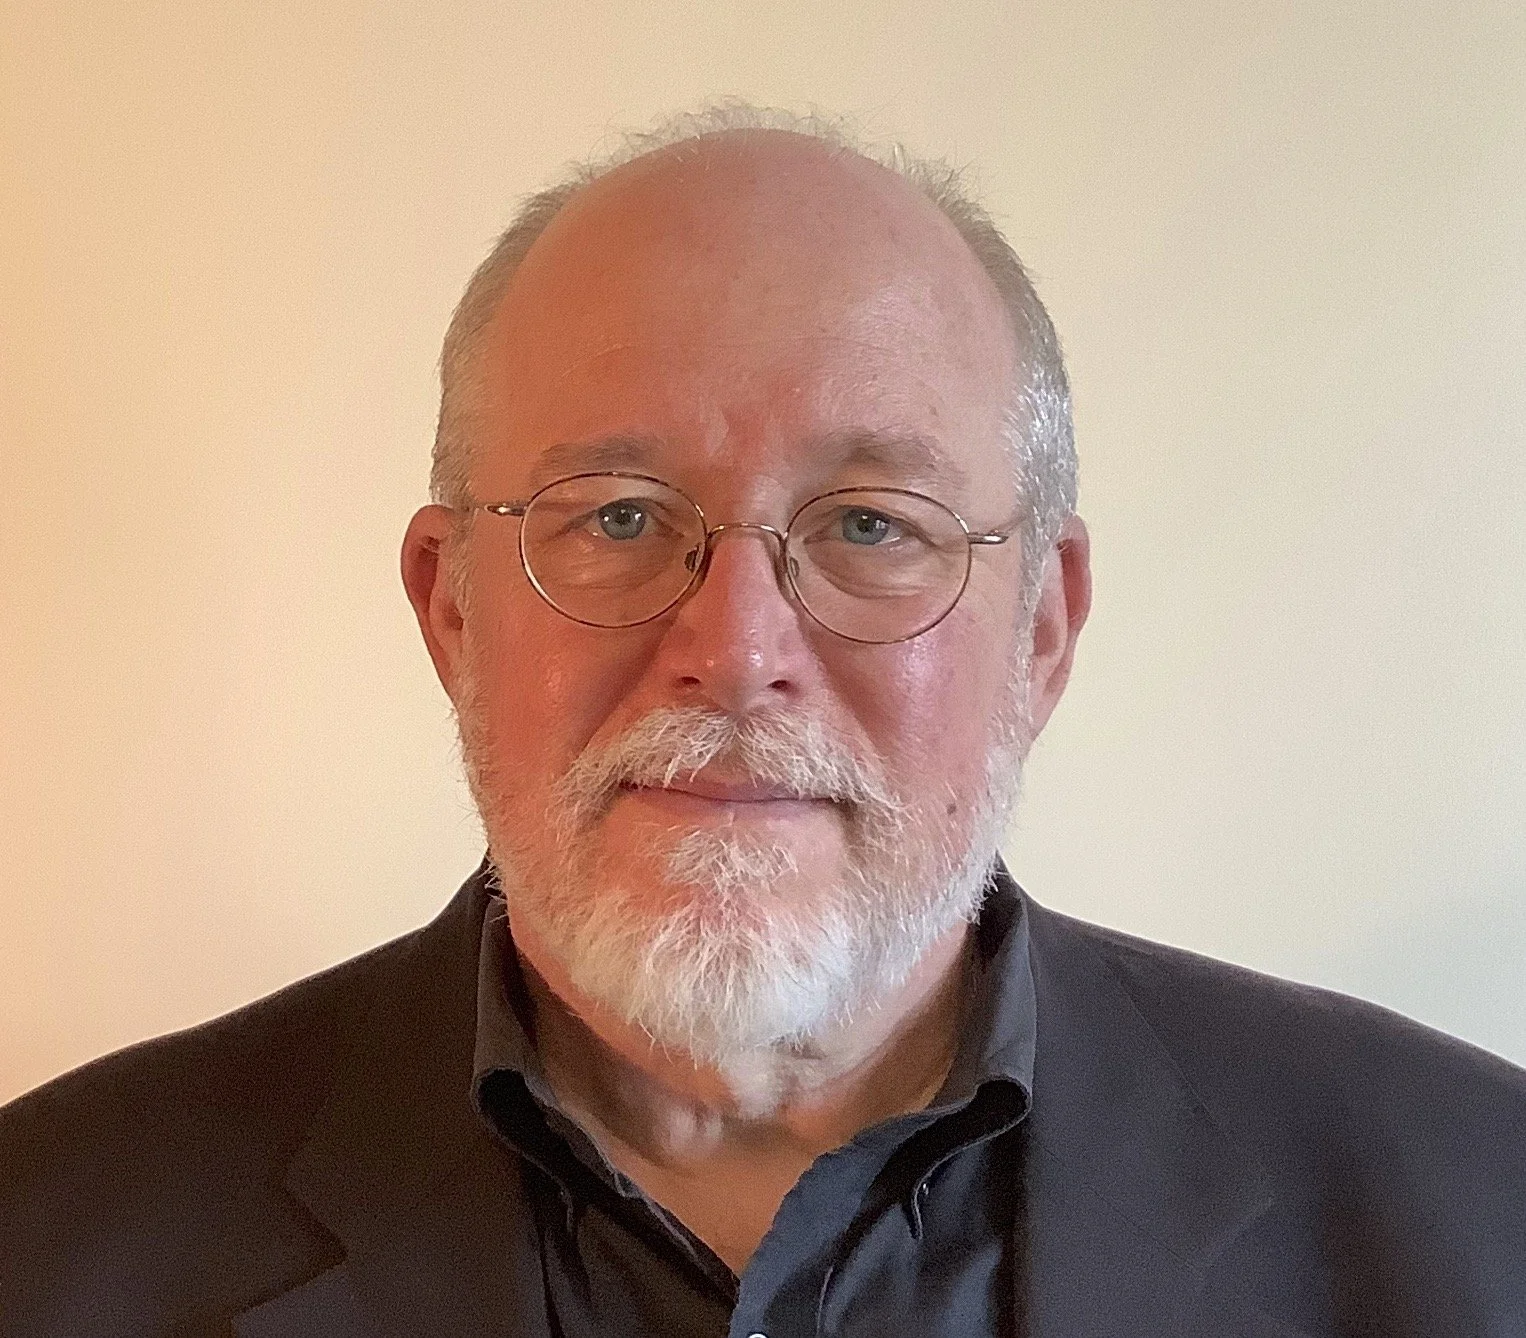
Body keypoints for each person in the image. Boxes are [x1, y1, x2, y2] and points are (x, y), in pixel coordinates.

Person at [2, 105, 1523, 1338]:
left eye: (870, 525)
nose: (732, 650)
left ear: (1040, 628)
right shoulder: (49, 1237)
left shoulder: (1477, 1206)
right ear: (451, 605)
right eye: (615, 514)